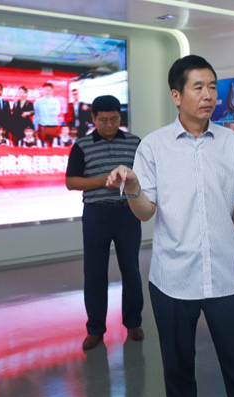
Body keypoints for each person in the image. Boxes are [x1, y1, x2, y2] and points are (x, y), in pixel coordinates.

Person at [107, 55, 234, 397]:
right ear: (176, 95)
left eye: (213, 87)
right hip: (173, 279)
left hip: (226, 275)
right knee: (178, 372)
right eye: (198, 87)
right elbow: (145, 211)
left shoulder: (231, 142)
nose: (208, 95)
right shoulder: (153, 146)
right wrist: (133, 187)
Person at [66, 95, 144, 350]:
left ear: (121, 117)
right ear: (93, 119)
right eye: (104, 120)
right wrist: (102, 181)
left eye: (114, 119)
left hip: (128, 213)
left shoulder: (135, 143)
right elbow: (71, 182)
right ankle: (95, 329)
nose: (110, 125)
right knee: (95, 273)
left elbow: (145, 175)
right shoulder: (82, 145)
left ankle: (133, 322)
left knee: (131, 269)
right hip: (96, 214)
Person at [34, 82, 60, 147]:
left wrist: (55, 113)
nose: (47, 91)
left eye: (49, 90)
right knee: (42, 145)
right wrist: (35, 126)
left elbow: (58, 111)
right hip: (42, 126)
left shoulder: (55, 101)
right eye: (46, 90)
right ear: (43, 90)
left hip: (53, 126)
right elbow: (35, 114)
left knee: (53, 146)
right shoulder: (38, 101)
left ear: (52, 91)